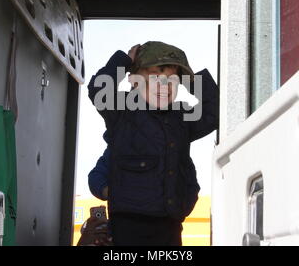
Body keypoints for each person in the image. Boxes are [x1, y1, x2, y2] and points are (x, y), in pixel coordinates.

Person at [87, 41, 218, 246]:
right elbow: (98, 90)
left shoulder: (181, 118)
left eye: (173, 80)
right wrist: (124, 61)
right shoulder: (121, 112)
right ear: (136, 80)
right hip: (129, 224)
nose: (164, 86)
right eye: (156, 76)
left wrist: (191, 80)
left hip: (170, 223)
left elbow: (213, 113)